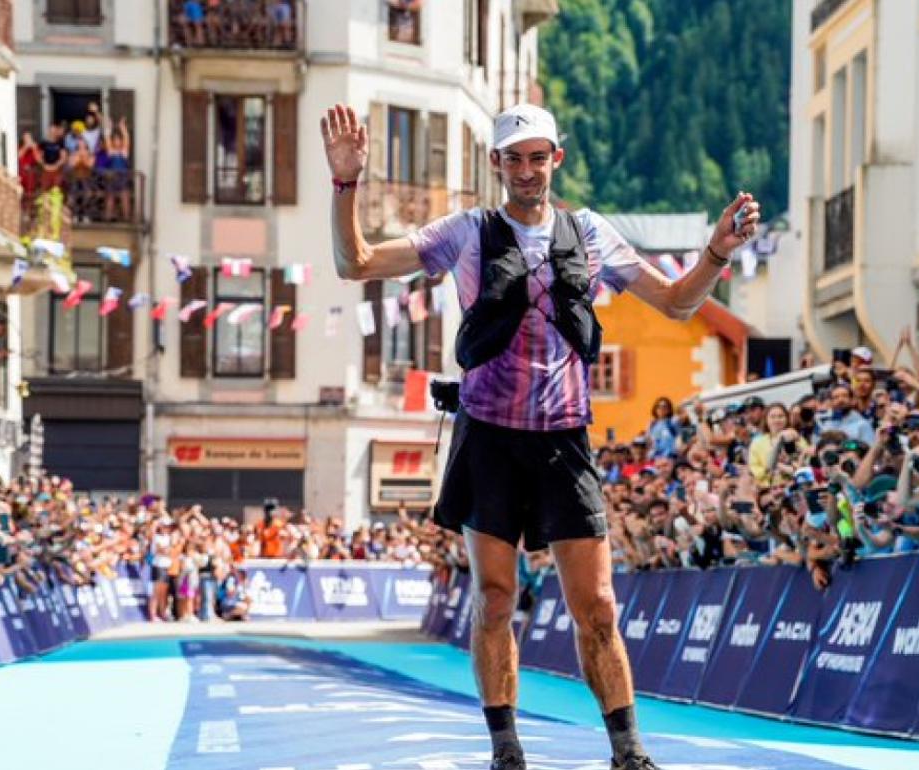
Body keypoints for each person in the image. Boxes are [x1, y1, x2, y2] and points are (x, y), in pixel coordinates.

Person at [323, 101, 760, 770]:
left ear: (555, 159)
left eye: (537, 158)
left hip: (564, 440)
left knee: (599, 606)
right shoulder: (465, 231)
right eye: (513, 159)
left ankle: (628, 750)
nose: (526, 171)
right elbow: (354, 264)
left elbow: (677, 302)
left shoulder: (587, 232)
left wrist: (716, 253)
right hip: (489, 438)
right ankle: (506, 749)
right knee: (495, 599)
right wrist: (346, 184)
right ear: (495, 165)